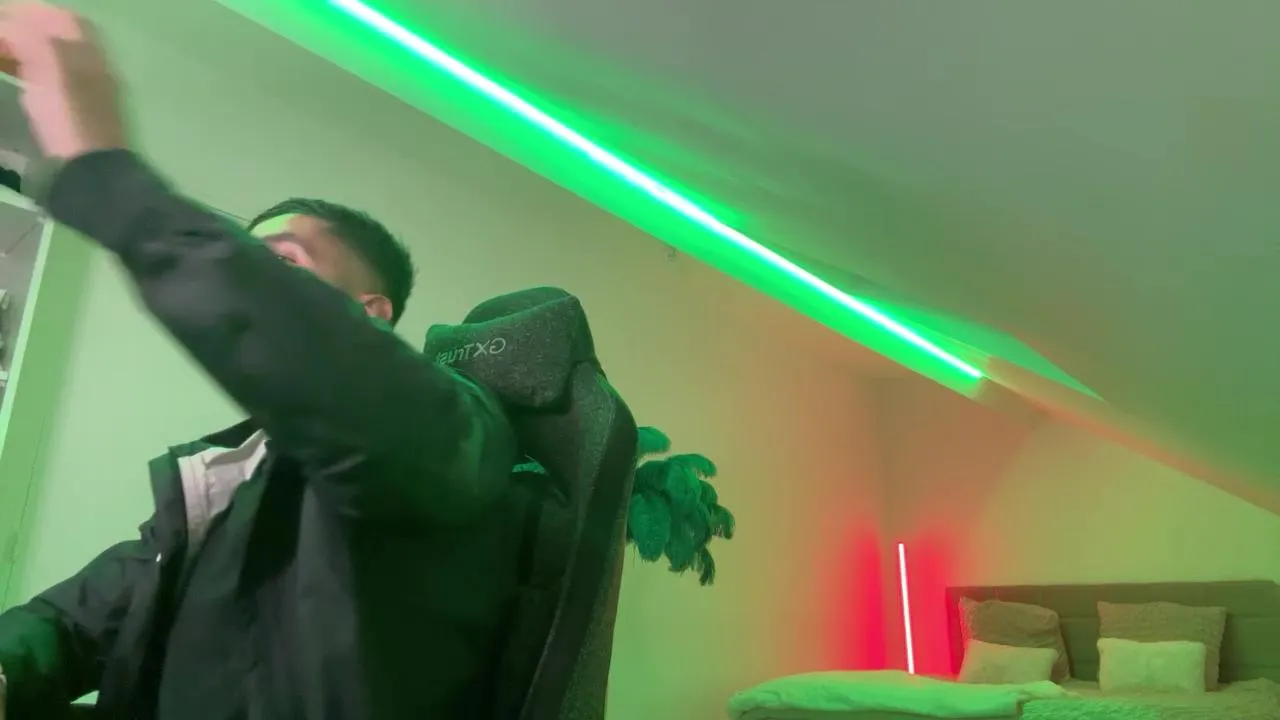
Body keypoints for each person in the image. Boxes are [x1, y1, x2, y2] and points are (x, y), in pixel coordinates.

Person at [0, 3, 524, 717]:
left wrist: (101, 174)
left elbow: (349, 381)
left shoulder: (449, 429)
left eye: (281, 264)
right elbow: (78, 619)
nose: (250, 277)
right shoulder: (227, 479)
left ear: (371, 313)